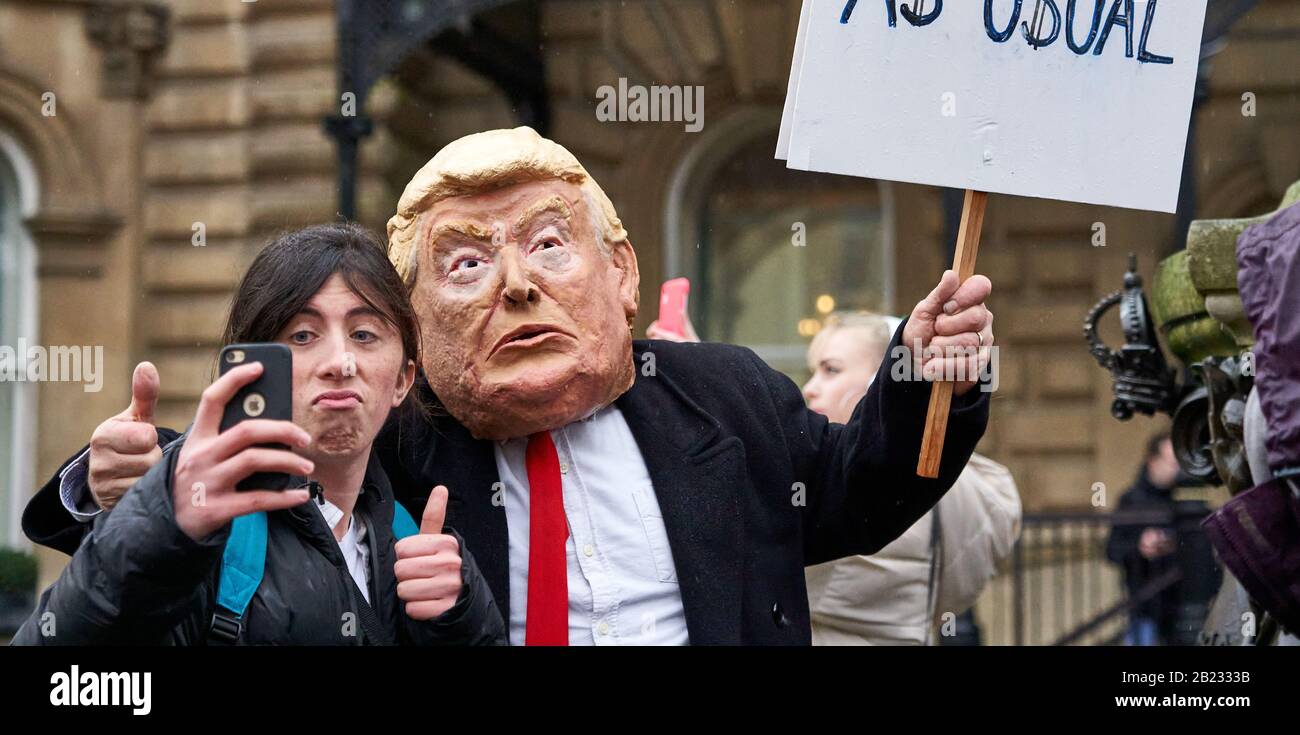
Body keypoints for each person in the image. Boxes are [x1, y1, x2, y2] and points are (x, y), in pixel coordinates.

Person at [26, 127, 996, 645]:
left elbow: (864, 489)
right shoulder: (402, 433)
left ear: (620, 272)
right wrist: (121, 475)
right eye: (464, 265)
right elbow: (259, 466)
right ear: (419, 342)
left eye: (546, 243)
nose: (517, 284)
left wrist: (921, 368)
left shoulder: (726, 397)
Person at [13, 224, 503, 645]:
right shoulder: (200, 524)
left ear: (401, 379)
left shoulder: (415, 543)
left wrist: (459, 617)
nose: (340, 362)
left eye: (364, 334)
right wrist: (155, 522)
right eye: (302, 336)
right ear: (251, 370)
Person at [802, 312, 1020, 644]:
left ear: (883, 382)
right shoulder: (961, 486)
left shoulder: (859, 490)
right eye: (813, 371)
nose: (810, 389)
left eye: (831, 370)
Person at [1105, 432, 1184, 646]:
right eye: (1171, 462)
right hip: (1145, 605)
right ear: (1153, 461)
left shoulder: (1185, 498)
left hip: (1181, 606)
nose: (1176, 469)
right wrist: (1141, 548)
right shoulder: (1131, 500)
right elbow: (1112, 550)